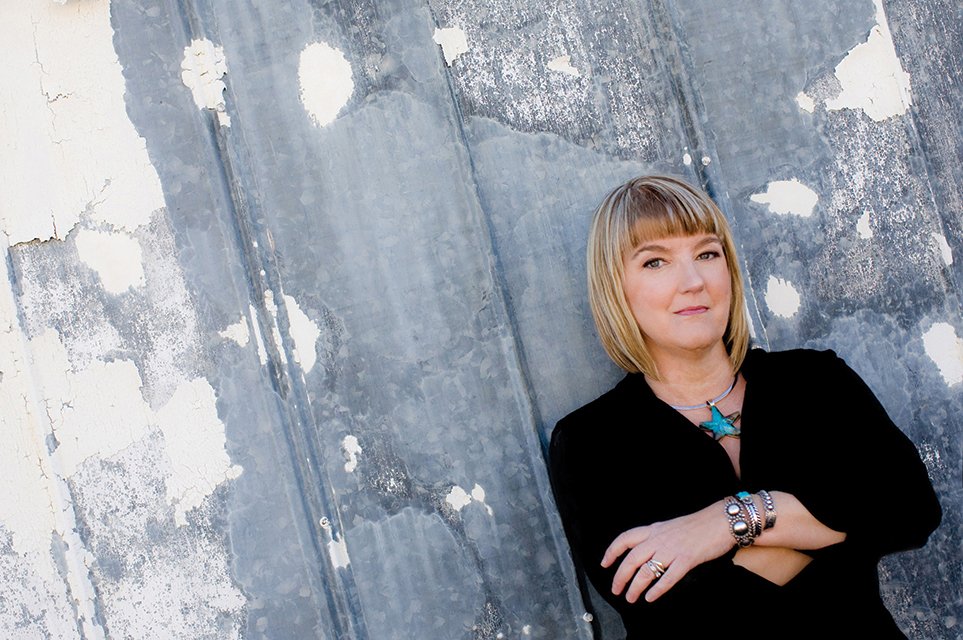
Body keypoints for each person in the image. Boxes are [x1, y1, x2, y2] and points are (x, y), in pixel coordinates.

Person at [548, 175, 942, 637]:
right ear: (616, 288)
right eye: (655, 261)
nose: (693, 282)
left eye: (707, 254)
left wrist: (727, 524)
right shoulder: (591, 441)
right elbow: (680, 615)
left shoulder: (815, 381)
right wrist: (836, 527)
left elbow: (911, 510)